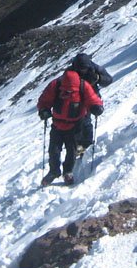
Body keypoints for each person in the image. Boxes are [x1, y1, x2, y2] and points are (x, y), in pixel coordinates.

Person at [37, 54, 105, 185]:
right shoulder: (82, 85)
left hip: (59, 124)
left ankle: (54, 171)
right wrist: (97, 107)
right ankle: (67, 172)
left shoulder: (57, 83)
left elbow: (44, 100)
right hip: (73, 125)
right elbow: (93, 99)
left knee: (55, 150)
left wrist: (44, 111)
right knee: (71, 150)